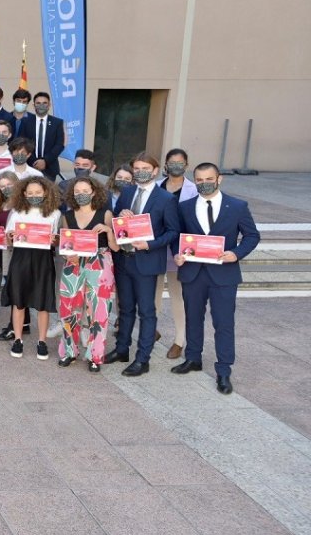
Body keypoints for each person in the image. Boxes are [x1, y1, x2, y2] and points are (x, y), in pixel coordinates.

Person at [170, 163, 260, 395]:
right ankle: (193, 359)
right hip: (193, 272)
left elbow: (252, 235)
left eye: (209, 178)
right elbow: (176, 235)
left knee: (223, 323)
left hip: (224, 274)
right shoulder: (185, 207)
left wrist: (236, 253)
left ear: (219, 179)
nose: (204, 183)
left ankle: (223, 370)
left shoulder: (237, 206)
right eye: (199, 180)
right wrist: (177, 254)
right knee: (193, 318)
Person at [104, 152, 181, 376]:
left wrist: (150, 244)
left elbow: (173, 231)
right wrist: (122, 215)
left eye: (145, 168)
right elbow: (118, 222)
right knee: (125, 309)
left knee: (147, 312)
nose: (140, 172)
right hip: (124, 259)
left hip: (147, 261)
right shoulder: (127, 192)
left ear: (156, 171)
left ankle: (142, 358)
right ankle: (121, 349)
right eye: (136, 169)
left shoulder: (166, 199)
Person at [56, 176, 119, 372]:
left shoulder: (105, 213)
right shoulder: (67, 215)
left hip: (99, 263)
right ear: (72, 194)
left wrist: (108, 230)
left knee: (99, 311)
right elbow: (65, 243)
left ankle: (95, 355)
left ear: (93, 192)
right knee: (68, 309)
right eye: (77, 192)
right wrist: (69, 255)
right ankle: (69, 351)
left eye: (85, 191)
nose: (81, 195)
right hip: (73, 264)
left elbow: (116, 247)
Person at [2, 176, 61, 359]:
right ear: (24, 194)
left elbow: (58, 240)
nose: (34, 195)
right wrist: (10, 236)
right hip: (21, 258)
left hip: (43, 259)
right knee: (19, 300)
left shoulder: (55, 213)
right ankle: (18, 339)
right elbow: (7, 240)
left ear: (45, 193)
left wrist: (55, 240)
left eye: (38, 192)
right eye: (30, 193)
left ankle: (41, 341)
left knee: (43, 301)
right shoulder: (17, 212)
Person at [156, 148, 199, 359]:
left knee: (177, 296)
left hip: (180, 250)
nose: (175, 166)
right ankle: (151, 329)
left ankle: (179, 340)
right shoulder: (156, 187)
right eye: (171, 162)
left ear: (186, 165)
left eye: (179, 162)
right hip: (156, 248)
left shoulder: (194, 190)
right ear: (165, 165)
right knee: (151, 293)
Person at [0, 172, 21, 339]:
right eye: (2, 186)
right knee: (12, 289)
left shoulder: (22, 205)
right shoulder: (1, 204)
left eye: (9, 185)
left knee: (15, 291)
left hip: (15, 253)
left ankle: (14, 327)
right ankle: (20, 325)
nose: (6, 188)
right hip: (1, 252)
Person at [23, 91, 65, 181]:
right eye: (38, 103)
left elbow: (59, 145)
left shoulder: (57, 122)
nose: (41, 105)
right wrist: (34, 161)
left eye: (44, 103)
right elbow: (23, 143)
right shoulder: (26, 122)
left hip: (49, 167)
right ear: (34, 105)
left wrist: (45, 161)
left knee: (48, 194)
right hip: (30, 166)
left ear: (49, 105)